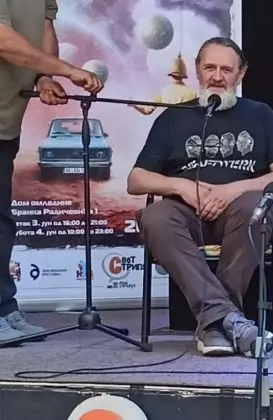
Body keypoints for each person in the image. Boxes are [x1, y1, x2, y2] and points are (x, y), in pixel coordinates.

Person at [127, 37, 273, 357]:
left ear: (240, 74)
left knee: (256, 209)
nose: (217, 77)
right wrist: (181, 187)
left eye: (226, 69)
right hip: (187, 214)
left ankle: (215, 323)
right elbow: (136, 180)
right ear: (197, 70)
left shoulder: (261, 114)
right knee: (154, 217)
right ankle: (232, 322)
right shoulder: (173, 117)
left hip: (241, 211)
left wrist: (231, 190)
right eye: (210, 68)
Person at [0, 1, 103, 342]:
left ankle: (4, 308)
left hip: (5, 123)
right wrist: (68, 70)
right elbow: (4, 39)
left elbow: (45, 28)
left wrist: (45, 76)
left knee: (2, 221)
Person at [129, 53, 197, 115]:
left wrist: (134, 105)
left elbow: (147, 111)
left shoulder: (163, 91)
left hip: (169, 123)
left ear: (171, 75)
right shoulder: (193, 93)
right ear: (183, 76)